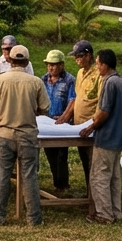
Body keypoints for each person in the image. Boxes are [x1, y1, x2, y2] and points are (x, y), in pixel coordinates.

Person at [0, 45, 49, 226]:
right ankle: (34, 219)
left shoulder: (0, 80)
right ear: (27, 62)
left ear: (10, 61)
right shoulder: (36, 82)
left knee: (2, 175)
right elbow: (44, 107)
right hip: (27, 134)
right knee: (29, 175)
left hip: (5, 133)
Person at [80, 49, 122, 224]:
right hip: (119, 137)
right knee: (114, 177)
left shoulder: (108, 83)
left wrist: (91, 126)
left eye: (98, 63)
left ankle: (104, 214)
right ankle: (116, 212)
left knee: (99, 176)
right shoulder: (121, 82)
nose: (97, 66)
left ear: (105, 65)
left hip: (107, 137)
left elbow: (104, 112)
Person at [56, 39, 101, 189]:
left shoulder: (98, 74)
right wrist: (64, 117)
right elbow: (76, 98)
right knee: (85, 162)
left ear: (88, 56)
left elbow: (101, 102)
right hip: (79, 126)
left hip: (91, 126)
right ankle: (90, 193)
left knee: (94, 163)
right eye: (75, 57)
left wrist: (94, 124)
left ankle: (95, 197)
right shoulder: (80, 73)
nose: (77, 60)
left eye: (80, 56)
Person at [40, 49, 78, 198]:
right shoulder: (43, 79)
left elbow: (72, 100)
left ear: (62, 65)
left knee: (62, 154)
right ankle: (57, 182)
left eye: (54, 65)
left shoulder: (69, 80)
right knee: (50, 153)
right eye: (49, 65)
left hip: (63, 123)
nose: (51, 68)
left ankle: (62, 184)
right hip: (46, 121)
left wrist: (64, 117)